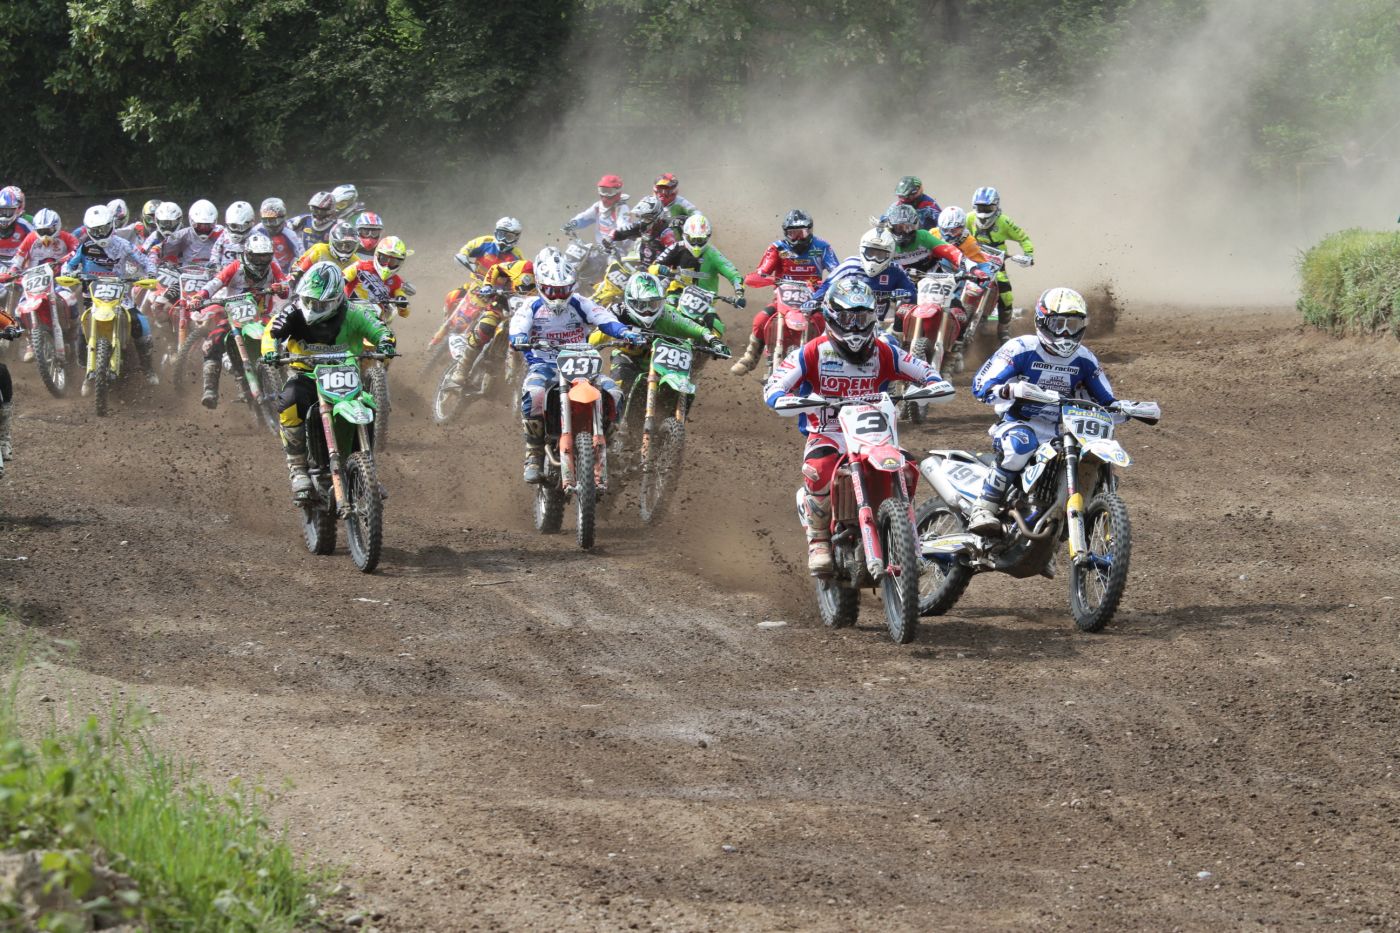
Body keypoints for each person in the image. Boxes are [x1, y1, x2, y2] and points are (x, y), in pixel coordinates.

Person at [764, 278, 953, 573]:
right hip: (829, 433)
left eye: (862, 318)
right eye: (847, 318)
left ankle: (902, 531)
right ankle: (819, 539)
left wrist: (932, 385)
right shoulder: (812, 352)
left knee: (907, 467)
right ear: (831, 316)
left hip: (876, 435)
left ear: (873, 318)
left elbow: (926, 372)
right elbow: (775, 385)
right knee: (818, 469)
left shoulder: (885, 351)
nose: (854, 327)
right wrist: (784, 398)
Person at [966, 287, 1118, 535]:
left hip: (1062, 432)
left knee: (1092, 457)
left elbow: (1107, 400)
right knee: (1020, 445)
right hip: (1018, 423)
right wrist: (1009, 390)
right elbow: (981, 385)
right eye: (1058, 324)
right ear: (1042, 322)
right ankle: (983, 508)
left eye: (1072, 325)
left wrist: (1127, 409)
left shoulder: (1085, 359)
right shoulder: (1021, 348)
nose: (1066, 333)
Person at [508, 247, 643, 484]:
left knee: (614, 391)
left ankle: (609, 441)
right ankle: (534, 453)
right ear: (541, 286)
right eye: (552, 291)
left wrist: (624, 332)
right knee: (534, 392)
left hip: (581, 365)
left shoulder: (581, 303)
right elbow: (518, 325)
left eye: (563, 290)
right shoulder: (531, 306)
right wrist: (518, 337)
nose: (558, 297)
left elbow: (604, 318)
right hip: (544, 364)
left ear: (572, 287)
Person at [260, 261, 395, 498]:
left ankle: (368, 470)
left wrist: (385, 343)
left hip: (345, 375)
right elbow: (272, 332)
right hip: (306, 374)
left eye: (320, 304)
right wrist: (270, 351)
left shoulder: (354, 313)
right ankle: (298, 467)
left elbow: (379, 329)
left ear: (336, 300)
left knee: (368, 407)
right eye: (309, 301)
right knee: (290, 399)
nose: (313, 307)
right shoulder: (293, 311)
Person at [182, 233, 289, 408]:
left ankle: (287, 377)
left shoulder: (273, 268)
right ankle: (210, 390)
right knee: (212, 343)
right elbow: (215, 283)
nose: (261, 261)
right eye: (257, 256)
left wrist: (281, 288)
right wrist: (199, 297)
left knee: (282, 339)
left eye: (265, 256)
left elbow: (286, 287)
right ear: (247, 254)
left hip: (262, 316)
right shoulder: (235, 267)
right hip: (235, 317)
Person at [730, 208, 838, 375]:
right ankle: (750, 357)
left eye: (801, 233)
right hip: (783, 300)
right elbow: (762, 272)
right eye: (792, 233)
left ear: (810, 231)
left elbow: (836, 270)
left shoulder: (822, 247)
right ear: (785, 233)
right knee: (760, 320)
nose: (797, 238)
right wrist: (760, 278)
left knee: (826, 322)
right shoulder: (777, 248)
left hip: (814, 300)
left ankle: (829, 363)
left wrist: (832, 281)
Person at [62, 204, 160, 384]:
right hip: (94, 296)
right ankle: (85, 368)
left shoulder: (123, 244)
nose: (100, 234)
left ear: (112, 225)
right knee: (83, 329)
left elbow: (145, 261)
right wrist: (69, 273)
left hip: (120, 295)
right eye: (96, 231)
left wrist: (151, 274)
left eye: (104, 229)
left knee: (140, 323)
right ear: (88, 230)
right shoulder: (84, 247)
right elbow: (68, 264)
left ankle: (148, 369)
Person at [598, 270, 728, 397]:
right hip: (629, 359)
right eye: (642, 305)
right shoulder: (618, 313)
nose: (648, 311)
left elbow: (696, 328)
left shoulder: (667, 314)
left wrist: (714, 341)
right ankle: (614, 408)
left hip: (663, 365)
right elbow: (597, 335)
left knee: (681, 384)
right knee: (618, 388)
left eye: (653, 304)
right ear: (631, 302)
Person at [444, 257, 535, 388]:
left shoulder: (553, 285)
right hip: (503, 304)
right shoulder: (523, 266)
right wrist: (488, 285)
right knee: (486, 327)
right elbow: (495, 268)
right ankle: (461, 370)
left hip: (528, 316)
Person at [809, 227, 918, 327]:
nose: (874, 258)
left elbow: (912, 295)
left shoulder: (896, 270)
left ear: (890, 255)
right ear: (862, 250)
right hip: (844, 324)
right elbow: (827, 286)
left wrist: (904, 295)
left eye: (880, 255)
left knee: (894, 337)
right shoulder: (850, 266)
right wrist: (814, 301)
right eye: (870, 253)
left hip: (878, 326)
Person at [970, 186, 1036, 342]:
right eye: (980, 208)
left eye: (988, 208)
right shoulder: (969, 218)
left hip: (996, 264)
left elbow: (1023, 238)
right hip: (972, 261)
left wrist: (1028, 255)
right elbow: (956, 232)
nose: (984, 212)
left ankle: (1003, 330)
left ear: (996, 206)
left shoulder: (1004, 222)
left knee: (1006, 295)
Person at [648, 213, 745, 309]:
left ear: (707, 237)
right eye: (692, 239)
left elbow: (734, 275)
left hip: (704, 301)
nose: (696, 244)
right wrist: (660, 269)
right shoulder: (676, 248)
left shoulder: (713, 254)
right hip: (677, 293)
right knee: (668, 307)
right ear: (685, 236)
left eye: (700, 240)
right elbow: (652, 267)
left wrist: (739, 294)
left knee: (713, 320)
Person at [344, 235, 412, 318]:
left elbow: (405, 314)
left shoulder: (397, 282)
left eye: (393, 262)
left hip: (374, 319)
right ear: (377, 255)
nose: (387, 265)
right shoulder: (360, 266)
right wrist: (342, 282)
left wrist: (402, 304)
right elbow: (341, 278)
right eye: (384, 259)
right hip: (348, 309)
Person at [563, 174, 630, 245]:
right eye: (602, 190)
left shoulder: (622, 208)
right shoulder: (598, 206)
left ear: (617, 192)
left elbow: (623, 227)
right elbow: (585, 217)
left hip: (619, 247)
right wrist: (573, 223)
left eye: (609, 192)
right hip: (601, 247)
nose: (605, 196)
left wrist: (611, 237)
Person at [288, 220, 357, 286]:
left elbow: (359, 289)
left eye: (348, 246)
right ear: (333, 241)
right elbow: (298, 267)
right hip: (310, 288)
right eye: (340, 245)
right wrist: (292, 283)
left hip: (339, 292)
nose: (344, 249)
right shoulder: (319, 250)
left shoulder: (356, 262)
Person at [455, 217, 522, 276]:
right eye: (500, 235)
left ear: (516, 238)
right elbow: (464, 251)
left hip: (498, 286)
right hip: (476, 282)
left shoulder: (517, 255)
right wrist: (466, 259)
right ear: (495, 233)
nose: (503, 240)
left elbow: (521, 274)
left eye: (509, 237)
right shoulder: (485, 241)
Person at [254, 197, 303, 272]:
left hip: (287, 273)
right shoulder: (256, 232)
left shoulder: (290, 234)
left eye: (274, 221)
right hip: (262, 272)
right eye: (266, 221)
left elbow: (300, 254)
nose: (269, 224)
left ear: (283, 218)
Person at [211, 201, 257, 267]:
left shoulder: (256, 237)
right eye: (233, 226)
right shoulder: (225, 234)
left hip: (247, 271)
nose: (237, 230)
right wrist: (214, 264)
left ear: (250, 223)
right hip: (224, 271)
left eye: (242, 227)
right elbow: (215, 252)